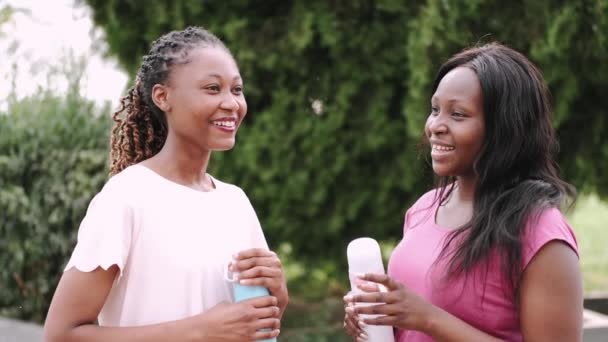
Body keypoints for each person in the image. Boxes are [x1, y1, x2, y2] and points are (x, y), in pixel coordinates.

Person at [44, 26, 288, 341]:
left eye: (237, 89)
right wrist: (201, 330)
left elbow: (256, 330)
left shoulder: (236, 202)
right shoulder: (127, 196)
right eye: (213, 88)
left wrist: (278, 296)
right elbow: (61, 335)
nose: (231, 103)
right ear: (163, 96)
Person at [343, 43, 582, 341]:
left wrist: (428, 318)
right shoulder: (424, 209)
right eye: (434, 110)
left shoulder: (540, 234)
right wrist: (377, 323)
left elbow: (425, 318)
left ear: (504, 129)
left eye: (457, 114)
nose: (435, 126)